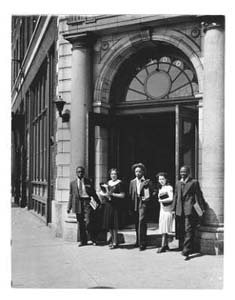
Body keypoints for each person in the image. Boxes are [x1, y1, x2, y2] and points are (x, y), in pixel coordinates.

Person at [172, 165, 205, 260]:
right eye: (181, 172)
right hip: (180, 209)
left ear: (188, 172)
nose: (182, 173)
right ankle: (184, 247)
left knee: (188, 229)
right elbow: (175, 196)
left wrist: (202, 208)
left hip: (189, 209)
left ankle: (186, 251)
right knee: (181, 229)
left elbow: (199, 195)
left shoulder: (194, 182)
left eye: (184, 172)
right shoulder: (178, 183)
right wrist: (173, 209)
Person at [67, 166, 101, 247]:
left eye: (82, 172)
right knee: (80, 223)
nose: (80, 173)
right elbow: (71, 195)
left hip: (87, 202)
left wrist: (98, 202)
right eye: (78, 172)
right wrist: (69, 207)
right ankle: (83, 241)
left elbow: (93, 193)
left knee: (89, 222)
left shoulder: (88, 181)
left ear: (84, 173)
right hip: (78, 203)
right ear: (76, 173)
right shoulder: (73, 183)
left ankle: (93, 239)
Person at [99, 168, 125, 249]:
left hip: (115, 206)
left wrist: (112, 194)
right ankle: (112, 240)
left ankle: (115, 241)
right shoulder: (108, 183)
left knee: (114, 224)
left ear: (117, 175)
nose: (113, 175)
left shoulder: (120, 183)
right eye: (112, 174)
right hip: (108, 205)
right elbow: (103, 192)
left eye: (115, 174)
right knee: (109, 224)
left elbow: (122, 195)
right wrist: (104, 194)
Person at [129, 163, 152, 251]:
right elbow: (130, 194)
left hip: (143, 203)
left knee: (142, 221)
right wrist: (130, 206)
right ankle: (137, 241)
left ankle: (143, 243)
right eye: (136, 171)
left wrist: (147, 197)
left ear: (143, 172)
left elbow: (151, 192)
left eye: (139, 171)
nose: (137, 173)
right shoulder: (132, 182)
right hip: (134, 202)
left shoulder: (146, 181)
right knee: (136, 222)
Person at [156, 172, 174, 253]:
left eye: (163, 179)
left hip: (167, 210)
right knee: (163, 228)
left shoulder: (169, 187)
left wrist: (161, 200)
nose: (161, 181)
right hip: (162, 210)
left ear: (166, 179)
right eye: (160, 179)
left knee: (165, 229)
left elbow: (171, 198)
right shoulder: (161, 188)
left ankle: (163, 245)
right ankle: (166, 245)